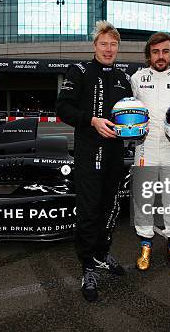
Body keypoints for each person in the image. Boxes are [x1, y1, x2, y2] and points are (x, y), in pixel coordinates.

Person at [56, 20, 133, 302]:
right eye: (104, 44)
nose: (109, 49)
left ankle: (102, 254)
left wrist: (137, 128)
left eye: (113, 45)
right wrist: (91, 120)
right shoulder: (79, 72)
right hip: (89, 154)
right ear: (95, 46)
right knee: (88, 211)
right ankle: (88, 266)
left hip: (115, 155)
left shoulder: (124, 79)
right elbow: (62, 108)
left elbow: (130, 117)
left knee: (110, 208)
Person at [130, 32, 170, 275]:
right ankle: (145, 245)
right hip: (145, 148)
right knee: (143, 199)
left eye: (165, 51)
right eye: (156, 51)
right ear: (149, 54)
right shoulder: (137, 79)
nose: (160, 56)